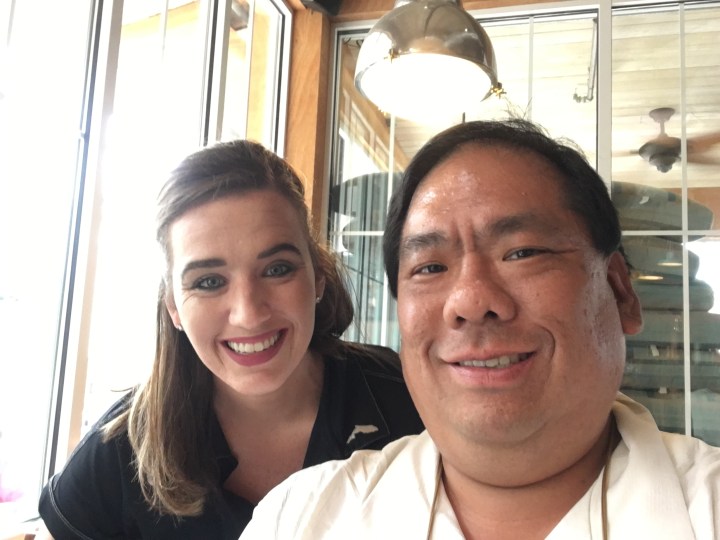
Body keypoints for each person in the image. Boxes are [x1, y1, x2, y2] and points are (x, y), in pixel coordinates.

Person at [240, 119, 720, 539]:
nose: (470, 302)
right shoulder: (300, 518)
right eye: (429, 267)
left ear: (620, 292)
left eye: (523, 252)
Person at [36, 140, 424, 539]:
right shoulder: (120, 450)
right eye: (208, 282)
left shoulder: (407, 397)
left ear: (318, 277)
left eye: (277, 269)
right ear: (173, 306)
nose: (248, 314)